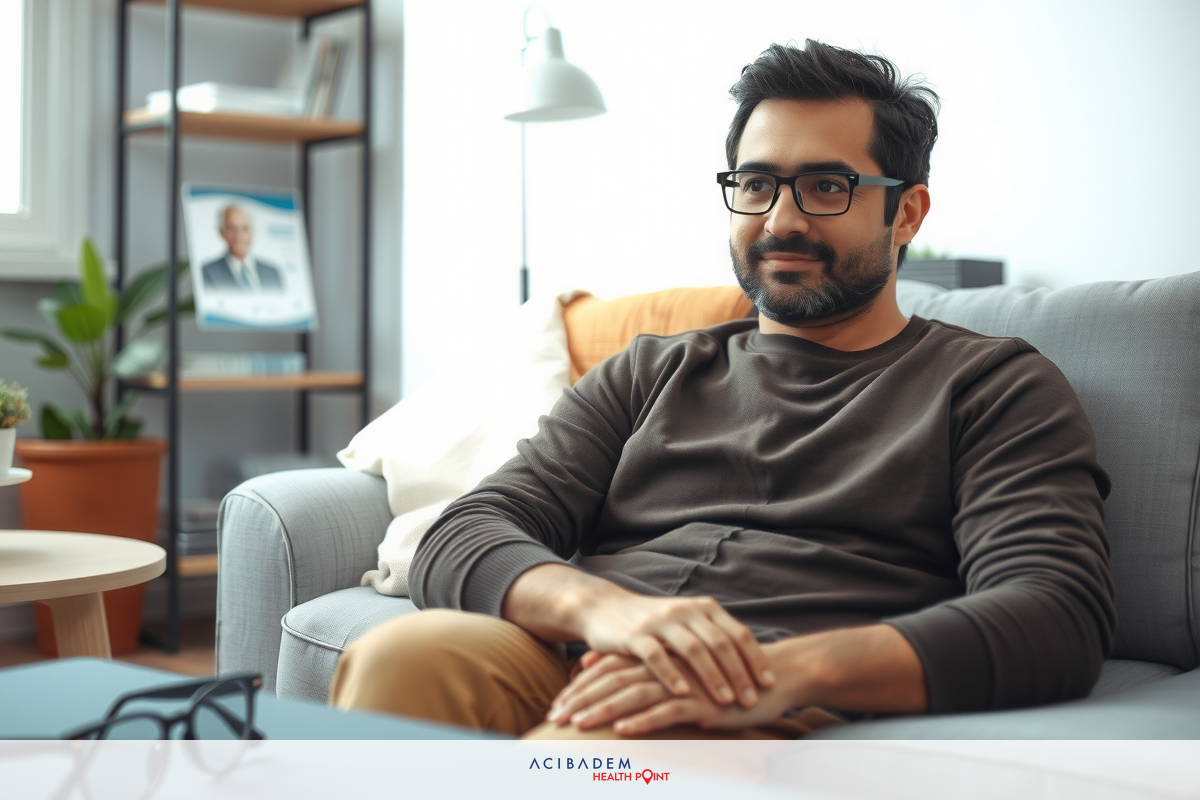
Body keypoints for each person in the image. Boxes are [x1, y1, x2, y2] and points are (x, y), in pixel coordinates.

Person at [330, 40, 1115, 739]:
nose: (780, 220)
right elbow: (466, 531)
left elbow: (1055, 612)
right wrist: (605, 611)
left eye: (827, 187)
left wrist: (769, 675)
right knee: (401, 656)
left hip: (762, 693)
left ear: (906, 212)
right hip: (582, 647)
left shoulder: (991, 385)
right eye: (757, 184)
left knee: (598, 757)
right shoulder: (651, 371)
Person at [201, 205, 284, 292]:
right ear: (222, 232)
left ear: (252, 232)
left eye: (245, 228)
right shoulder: (208, 272)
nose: (239, 235)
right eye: (232, 228)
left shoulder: (272, 272)